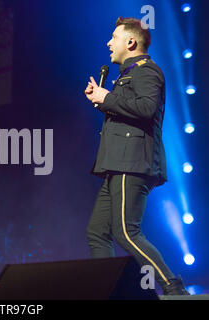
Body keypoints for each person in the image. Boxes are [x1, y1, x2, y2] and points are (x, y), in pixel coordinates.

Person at [84, 17, 189, 295]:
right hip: (117, 163)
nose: (109, 42)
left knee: (126, 232)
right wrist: (102, 100)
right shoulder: (128, 74)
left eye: (114, 37)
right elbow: (128, 112)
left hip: (130, 162)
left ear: (130, 42)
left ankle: (173, 288)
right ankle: (106, 291)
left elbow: (145, 109)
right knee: (98, 232)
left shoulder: (146, 71)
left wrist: (107, 98)